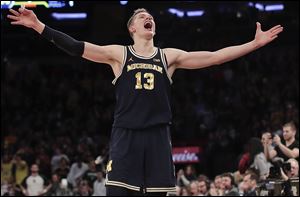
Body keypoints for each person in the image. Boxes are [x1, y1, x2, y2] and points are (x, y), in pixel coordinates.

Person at [7, 6, 283, 196]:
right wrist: (38, 26)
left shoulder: (168, 56)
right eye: (142, 16)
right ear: (132, 29)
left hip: (158, 135)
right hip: (126, 135)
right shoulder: (119, 54)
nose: (148, 17)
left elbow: (214, 56)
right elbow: (77, 47)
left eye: (150, 16)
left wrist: (254, 44)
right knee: (117, 192)